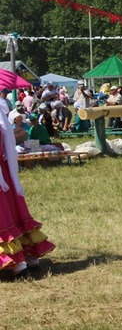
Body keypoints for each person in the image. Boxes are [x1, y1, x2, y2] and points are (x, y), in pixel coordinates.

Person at [0, 103, 55, 278]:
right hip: (5, 172)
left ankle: (20, 263)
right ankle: (27, 260)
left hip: (3, 175)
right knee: (12, 212)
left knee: (4, 216)